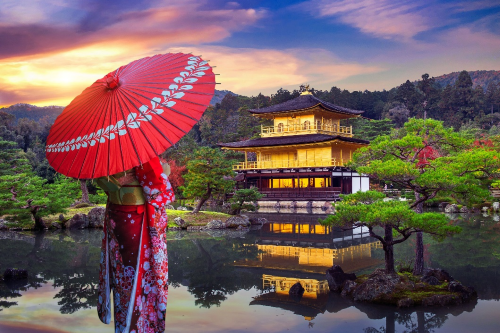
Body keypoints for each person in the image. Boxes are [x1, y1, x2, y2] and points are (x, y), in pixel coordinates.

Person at [95, 157, 174, 333]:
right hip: (136, 222)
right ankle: (137, 327)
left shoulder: (109, 154)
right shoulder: (142, 155)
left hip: (116, 218)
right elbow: (158, 191)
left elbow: (103, 183)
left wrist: (119, 180)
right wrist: (164, 171)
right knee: (138, 277)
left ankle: (123, 324)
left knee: (122, 276)